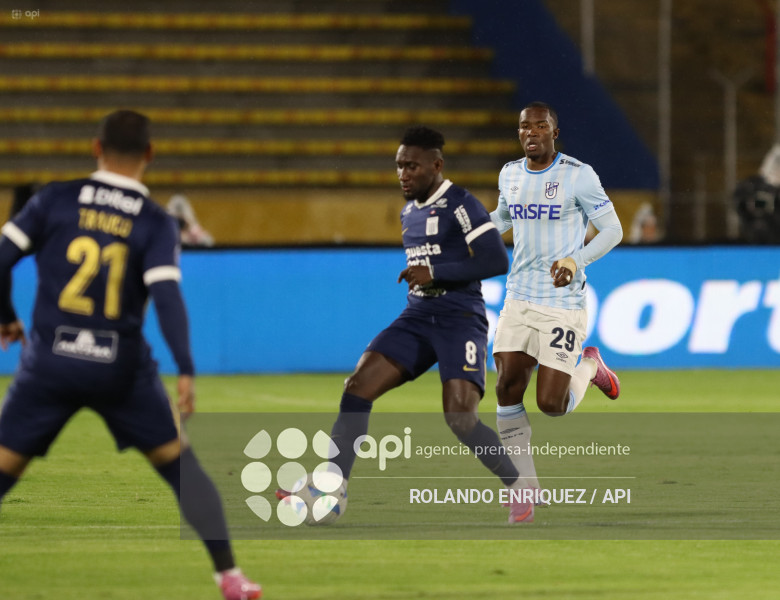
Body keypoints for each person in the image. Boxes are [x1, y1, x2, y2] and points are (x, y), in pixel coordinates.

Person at [0, 110, 261, 600]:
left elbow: (1, 257)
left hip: (50, 364)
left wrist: (6, 317)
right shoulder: (155, 222)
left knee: (4, 469)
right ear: (150, 155)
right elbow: (165, 297)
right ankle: (231, 577)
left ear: (96, 148)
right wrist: (185, 366)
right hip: (119, 369)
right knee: (180, 468)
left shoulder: (53, 199)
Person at [279, 125, 534, 523]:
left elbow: (496, 260)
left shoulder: (461, 203)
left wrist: (436, 271)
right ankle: (332, 487)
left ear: (436, 165)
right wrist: (427, 278)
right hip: (417, 316)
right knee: (357, 387)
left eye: (412, 166)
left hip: (459, 319)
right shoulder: (407, 211)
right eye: (399, 166)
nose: (404, 174)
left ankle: (518, 487)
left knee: (460, 418)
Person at [490, 101, 624, 497]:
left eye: (540, 126)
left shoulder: (579, 176)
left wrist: (576, 259)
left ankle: (589, 367)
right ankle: (525, 487)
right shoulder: (510, 174)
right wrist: (472, 233)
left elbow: (612, 230)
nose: (531, 133)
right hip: (517, 298)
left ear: (554, 132)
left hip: (561, 304)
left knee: (551, 404)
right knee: (506, 388)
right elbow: (503, 216)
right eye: (524, 127)